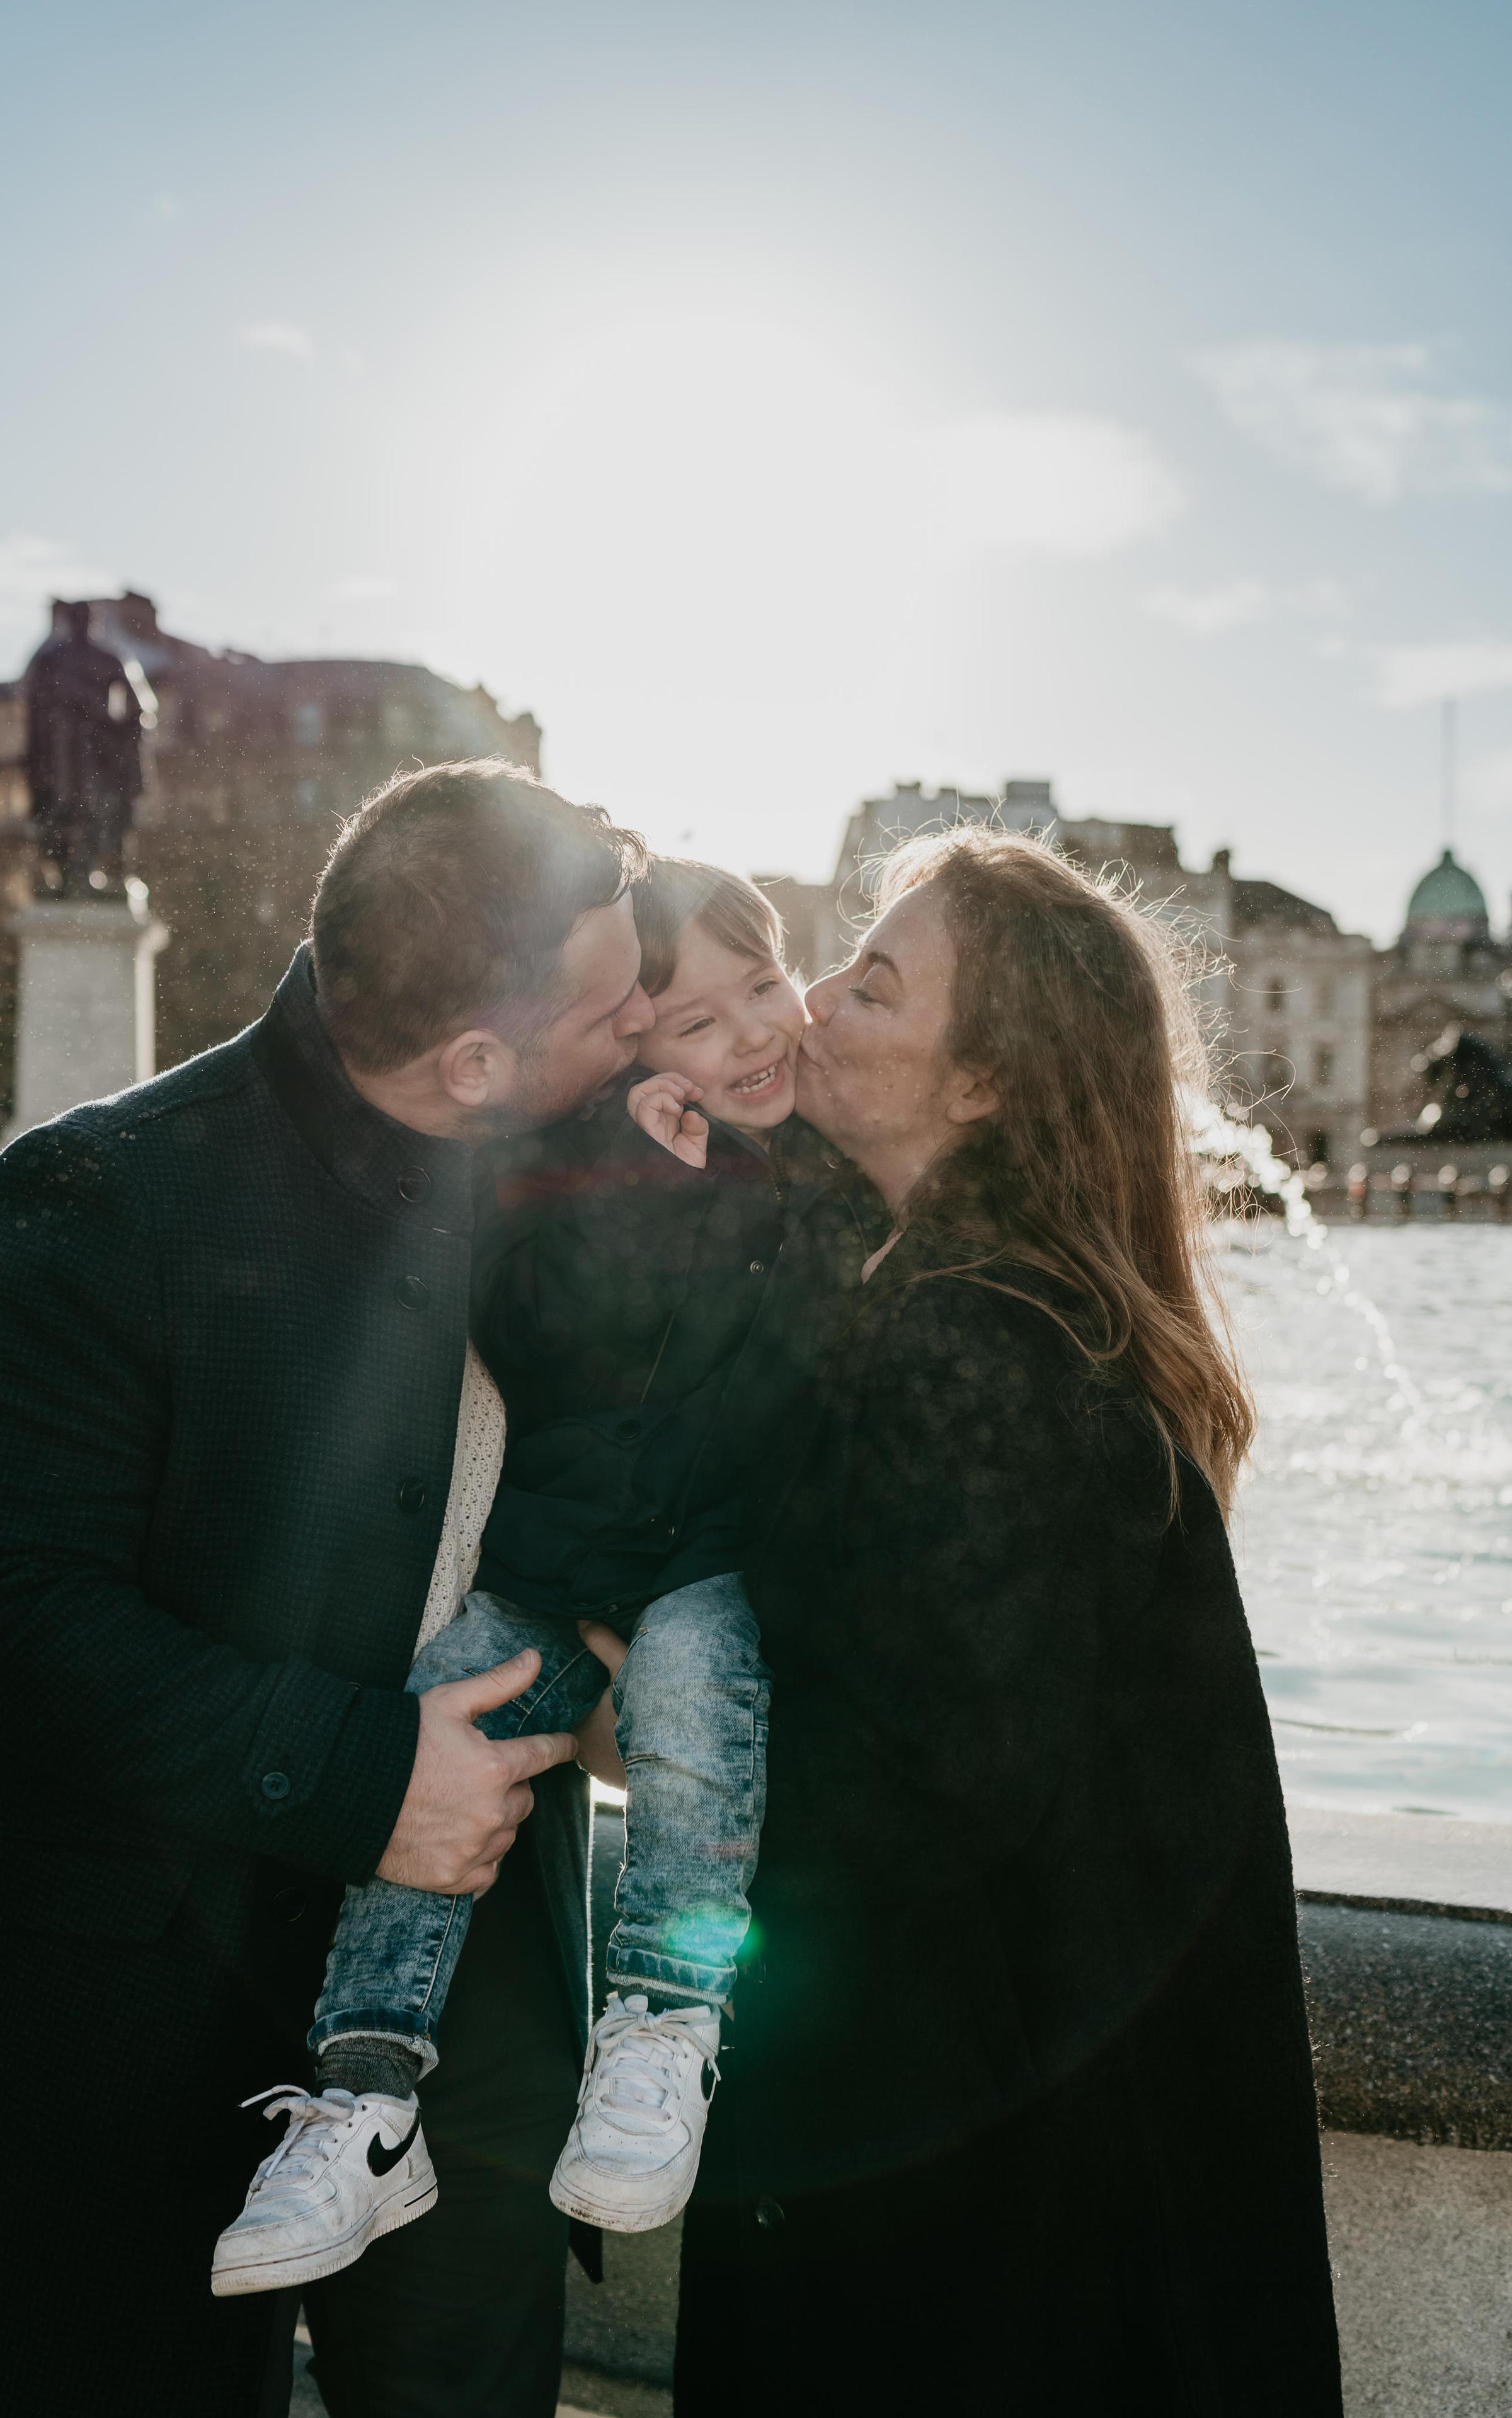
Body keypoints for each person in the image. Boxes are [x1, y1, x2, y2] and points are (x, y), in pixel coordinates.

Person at [0, 759, 653, 2418]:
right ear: (476, 1061)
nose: (643, 1015)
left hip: (479, 2015)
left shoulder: (592, 1154)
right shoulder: (102, 1186)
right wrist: (365, 1778)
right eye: (610, 997)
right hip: (122, 2000)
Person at [671, 826, 1344, 2416]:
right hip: (1075, 2178)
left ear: (979, 1084)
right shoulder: (1026, 1310)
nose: (813, 1002)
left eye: (876, 984)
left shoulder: (968, 1350)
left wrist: (644, 1688)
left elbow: (928, 1789)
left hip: (972, 2235)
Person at [210, 856, 857, 2289]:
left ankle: (667, 2018)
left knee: (690, 1687)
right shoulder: (577, 1173)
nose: (750, 1033)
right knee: (438, 1713)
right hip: (550, 1569)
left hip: (698, 1575)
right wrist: (637, 1191)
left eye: (763, 985)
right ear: (632, 1051)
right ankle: (367, 2092)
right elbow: (540, 1335)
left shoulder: (825, 1180)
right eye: (694, 1020)